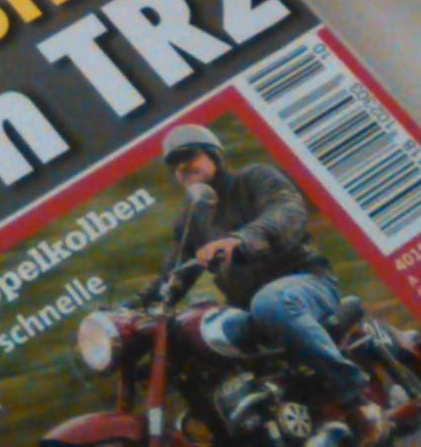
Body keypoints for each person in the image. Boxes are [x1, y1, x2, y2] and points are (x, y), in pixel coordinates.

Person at [157, 123, 390, 445]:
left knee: (270, 302)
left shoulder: (255, 178)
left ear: (214, 155)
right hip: (246, 310)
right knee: (195, 342)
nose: (182, 167)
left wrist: (242, 239)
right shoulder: (191, 220)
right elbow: (172, 272)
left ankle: (356, 400)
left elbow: (287, 210)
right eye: (175, 164)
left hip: (305, 282)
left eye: (189, 156)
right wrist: (131, 310)